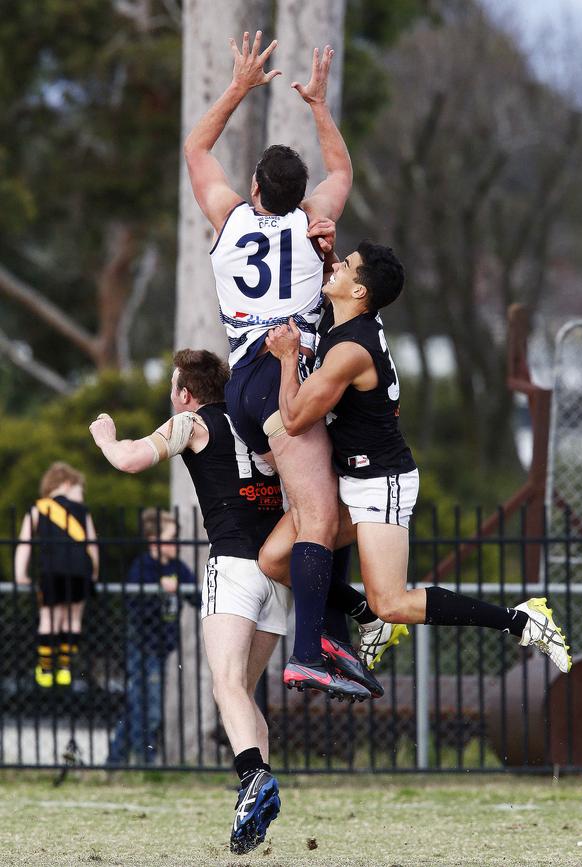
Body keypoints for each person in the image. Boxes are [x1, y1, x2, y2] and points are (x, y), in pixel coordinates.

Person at [88, 349, 385, 854]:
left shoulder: (193, 422)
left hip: (234, 568)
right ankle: (253, 799)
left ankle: (254, 778)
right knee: (241, 695)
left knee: (225, 686)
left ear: (185, 393)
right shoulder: (254, 419)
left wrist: (105, 437)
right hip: (279, 572)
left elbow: (130, 460)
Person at [264, 241, 572, 674]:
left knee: (392, 602)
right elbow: (340, 278)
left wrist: (287, 358)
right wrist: (322, 242)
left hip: (380, 483)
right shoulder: (353, 319)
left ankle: (522, 621)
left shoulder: (351, 350)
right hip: (351, 478)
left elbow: (294, 419)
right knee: (275, 560)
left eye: (346, 266)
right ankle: (368, 618)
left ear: (359, 292)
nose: (336, 267)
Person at [183, 30, 364, 696]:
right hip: (281, 379)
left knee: (331, 507)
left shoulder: (229, 220)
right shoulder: (314, 221)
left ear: (256, 185)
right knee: (318, 517)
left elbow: (197, 149)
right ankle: (311, 648)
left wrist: (238, 86)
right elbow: (341, 172)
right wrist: (317, 105)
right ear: (299, 191)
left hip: (249, 381)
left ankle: (334, 633)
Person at [106, 508, 195, 766]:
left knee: (138, 704)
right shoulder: (142, 567)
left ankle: (115, 760)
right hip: (143, 646)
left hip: (162, 647)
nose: (176, 544)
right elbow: (136, 606)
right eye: (171, 538)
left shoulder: (178, 568)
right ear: (155, 541)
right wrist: (159, 592)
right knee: (149, 707)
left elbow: (197, 597)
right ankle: (145, 758)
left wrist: (181, 590)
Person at [14, 462, 99, 688]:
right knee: (72, 620)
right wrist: (94, 573)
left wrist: (20, 573)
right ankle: (64, 667)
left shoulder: (38, 508)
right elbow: (92, 545)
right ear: (68, 483)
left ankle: (44, 668)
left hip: (52, 571)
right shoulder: (82, 511)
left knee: (49, 619)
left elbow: (24, 544)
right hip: (80, 572)